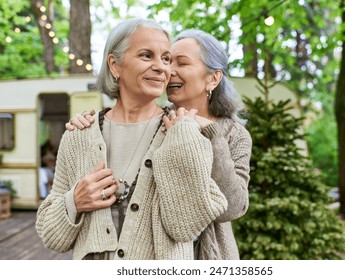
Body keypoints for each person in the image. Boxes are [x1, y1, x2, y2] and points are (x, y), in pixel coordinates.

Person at [36, 18, 228, 260]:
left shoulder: (184, 133)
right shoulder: (79, 135)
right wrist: (74, 201)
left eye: (166, 58)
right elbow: (50, 235)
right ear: (115, 66)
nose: (161, 67)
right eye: (147, 55)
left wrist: (183, 142)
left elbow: (186, 226)